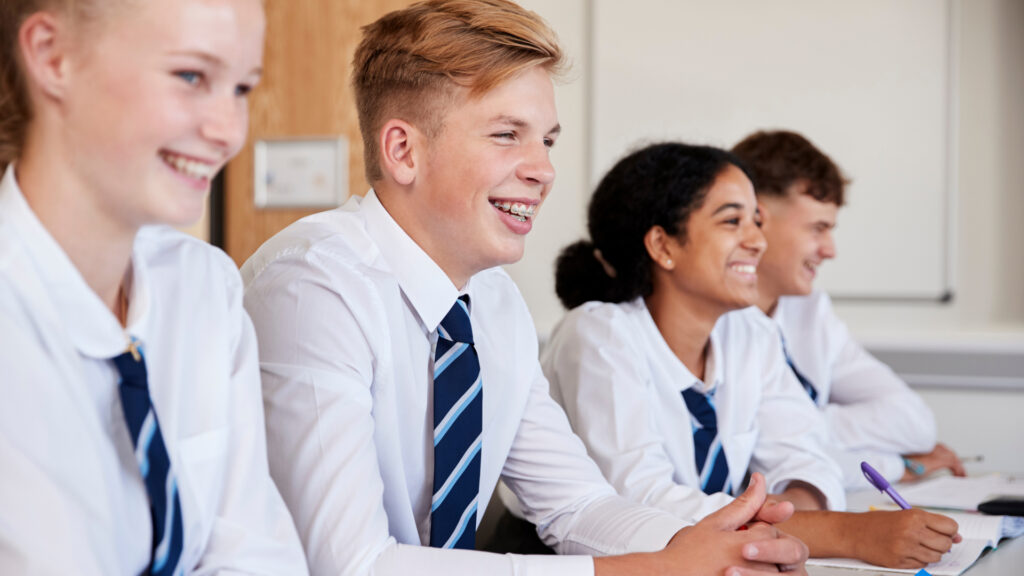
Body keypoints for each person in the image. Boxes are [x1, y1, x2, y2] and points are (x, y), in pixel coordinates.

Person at [241, 1, 808, 575]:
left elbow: (576, 503)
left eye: (548, 141)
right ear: (403, 151)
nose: (543, 169)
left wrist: (728, 547)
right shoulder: (312, 286)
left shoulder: (494, 303)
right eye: (508, 134)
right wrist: (648, 570)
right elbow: (354, 566)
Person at [543, 142, 962, 569]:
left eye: (757, 222)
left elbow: (805, 454)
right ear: (662, 245)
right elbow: (639, 501)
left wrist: (785, 518)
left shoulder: (749, 332)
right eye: (733, 221)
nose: (758, 241)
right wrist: (841, 533)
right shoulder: (599, 335)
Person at [0, 0, 309, 574]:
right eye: (191, 76)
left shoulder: (202, 288)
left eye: (241, 89)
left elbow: (257, 555)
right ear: (52, 56)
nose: (229, 133)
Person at [730, 130, 966, 485]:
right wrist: (896, 467)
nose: (830, 250)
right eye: (818, 228)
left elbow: (915, 423)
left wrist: (797, 426)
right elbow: (752, 468)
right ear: (756, 219)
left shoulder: (810, 310)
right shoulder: (712, 319)